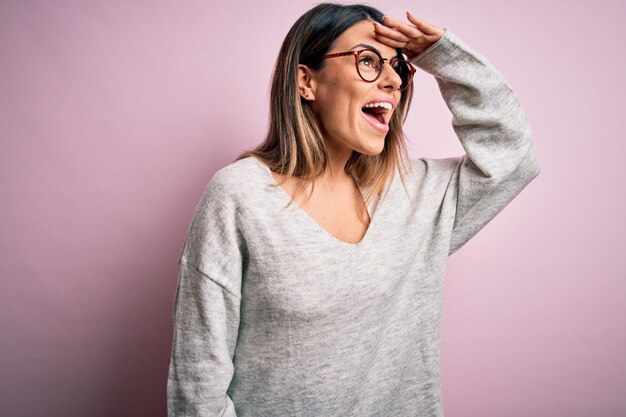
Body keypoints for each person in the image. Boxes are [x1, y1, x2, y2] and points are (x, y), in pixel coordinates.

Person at [167, 3, 540, 417]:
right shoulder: (240, 196)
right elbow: (198, 382)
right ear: (306, 81)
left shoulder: (412, 195)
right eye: (367, 60)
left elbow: (513, 155)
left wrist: (441, 57)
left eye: (398, 67)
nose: (393, 80)